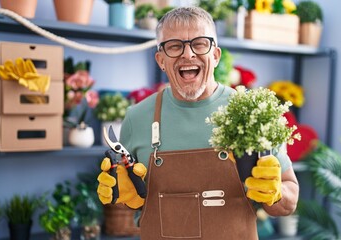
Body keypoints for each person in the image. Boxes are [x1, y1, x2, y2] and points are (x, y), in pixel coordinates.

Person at [97, 6, 299, 240]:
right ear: (161, 60)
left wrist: (275, 193)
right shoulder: (137, 118)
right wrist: (124, 194)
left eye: (200, 43)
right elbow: (133, 203)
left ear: (215, 55)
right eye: (174, 46)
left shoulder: (250, 112)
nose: (188, 54)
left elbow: (289, 200)